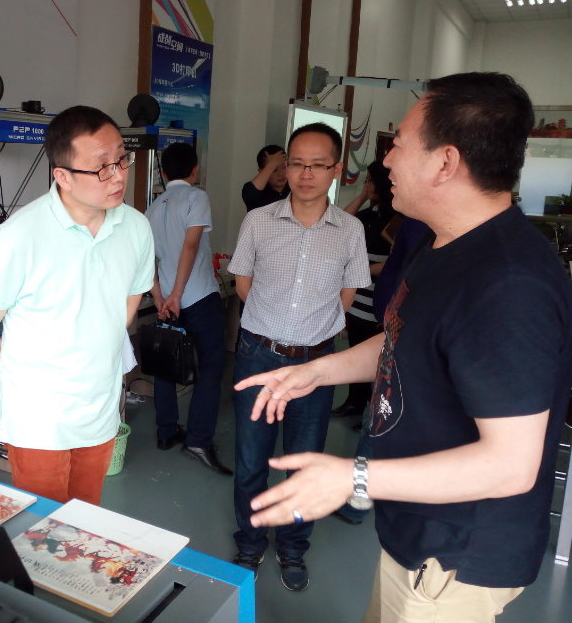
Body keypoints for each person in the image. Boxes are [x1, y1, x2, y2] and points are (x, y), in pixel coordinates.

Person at [236, 72, 572, 622]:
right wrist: (318, 371)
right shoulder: (443, 243)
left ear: (445, 162)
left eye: (399, 144)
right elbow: (402, 339)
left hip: (454, 562)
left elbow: (511, 465)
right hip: (416, 534)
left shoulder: (509, 285)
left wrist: (353, 476)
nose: (386, 159)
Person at [0, 106, 155, 506]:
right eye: (102, 167)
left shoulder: (136, 227)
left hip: (100, 411)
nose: (119, 175)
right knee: (44, 528)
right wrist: (29, 384)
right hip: (39, 421)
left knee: (86, 520)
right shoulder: (19, 237)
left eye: (122, 159)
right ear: (62, 176)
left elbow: (126, 307)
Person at [227, 122, 371, 590]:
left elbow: (347, 295)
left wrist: (309, 336)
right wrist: (274, 328)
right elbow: (243, 284)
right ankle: (250, 543)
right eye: (297, 164)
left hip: (315, 365)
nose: (306, 174)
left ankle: (292, 547)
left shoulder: (350, 230)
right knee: (251, 458)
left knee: (304, 460)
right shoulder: (258, 221)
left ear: (336, 170)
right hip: (258, 355)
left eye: (317, 165)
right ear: (285, 167)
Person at [144, 142, 230, 476]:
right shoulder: (196, 197)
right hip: (198, 297)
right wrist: (178, 294)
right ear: (195, 170)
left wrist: (160, 296)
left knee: (166, 363)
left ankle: (166, 431)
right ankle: (198, 440)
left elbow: (147, 260)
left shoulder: (151, 209)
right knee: (211, 366)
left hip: (168, 300)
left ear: (163, 173)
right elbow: (191, 245)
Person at [333, 161, 397, 425]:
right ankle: (354, 402)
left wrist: (365, 269)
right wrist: (362, 195)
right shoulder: (368, 215)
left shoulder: (396, 218)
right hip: (359, 293)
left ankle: (372, 410)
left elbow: (397, 261)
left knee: (376, 357)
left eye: (370, 181)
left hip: (379, 292)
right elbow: (340, 222)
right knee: (356, 346)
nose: (366, 185)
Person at [242, 144, 292, 212]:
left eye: (284, 167)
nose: (281, 174)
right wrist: (273, 163)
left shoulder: (294, 187)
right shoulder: (258, 193)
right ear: (261, 171)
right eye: (274, 170)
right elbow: (249, 193)